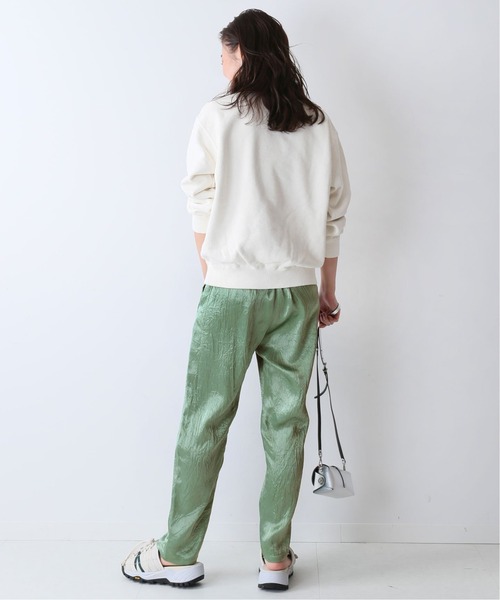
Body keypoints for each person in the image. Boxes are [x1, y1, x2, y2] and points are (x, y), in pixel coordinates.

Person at [121, 8, 351, 591]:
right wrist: (326, 290)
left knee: (205, 422)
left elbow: (199, 195)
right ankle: (275, 559)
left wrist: (214, 270)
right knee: (286, 425)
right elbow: (333, 214)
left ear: (241, 53)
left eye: (224, 55)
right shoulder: (316, 122)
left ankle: (178, 555)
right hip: (297, 294)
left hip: (229, 291)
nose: (221, 66)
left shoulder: (218, 116)